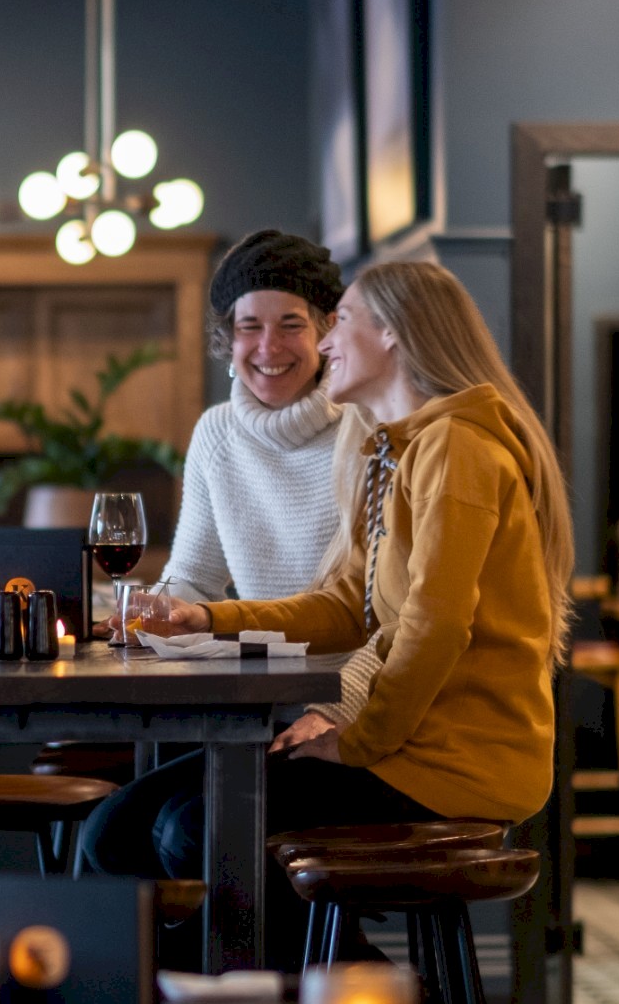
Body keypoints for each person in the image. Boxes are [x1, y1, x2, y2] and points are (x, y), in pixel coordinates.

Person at [159, 259, 573, 969]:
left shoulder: (457, 446)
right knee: (129, 828)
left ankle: (361, 988)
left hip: (452, 764)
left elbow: (435, 627)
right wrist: (207, 616)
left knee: (192, 829)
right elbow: (345, 606)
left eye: (339, 320)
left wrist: (355, 740)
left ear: (392, 332)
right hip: (412, 750)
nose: (324, 343)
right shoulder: (394, 449)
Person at [81, 230, 379, 878]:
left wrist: (337, 706)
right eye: (249, 327)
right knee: (111, 837)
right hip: (254, 706)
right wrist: (152, 610)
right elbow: (193, 576)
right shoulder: (216, 432)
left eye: (290, 324)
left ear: (328, 330)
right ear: (227, 338)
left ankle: (302, 944)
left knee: (189, 834)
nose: (268, 347)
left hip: (350, 707)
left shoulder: (370, 427)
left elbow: (382, 610)